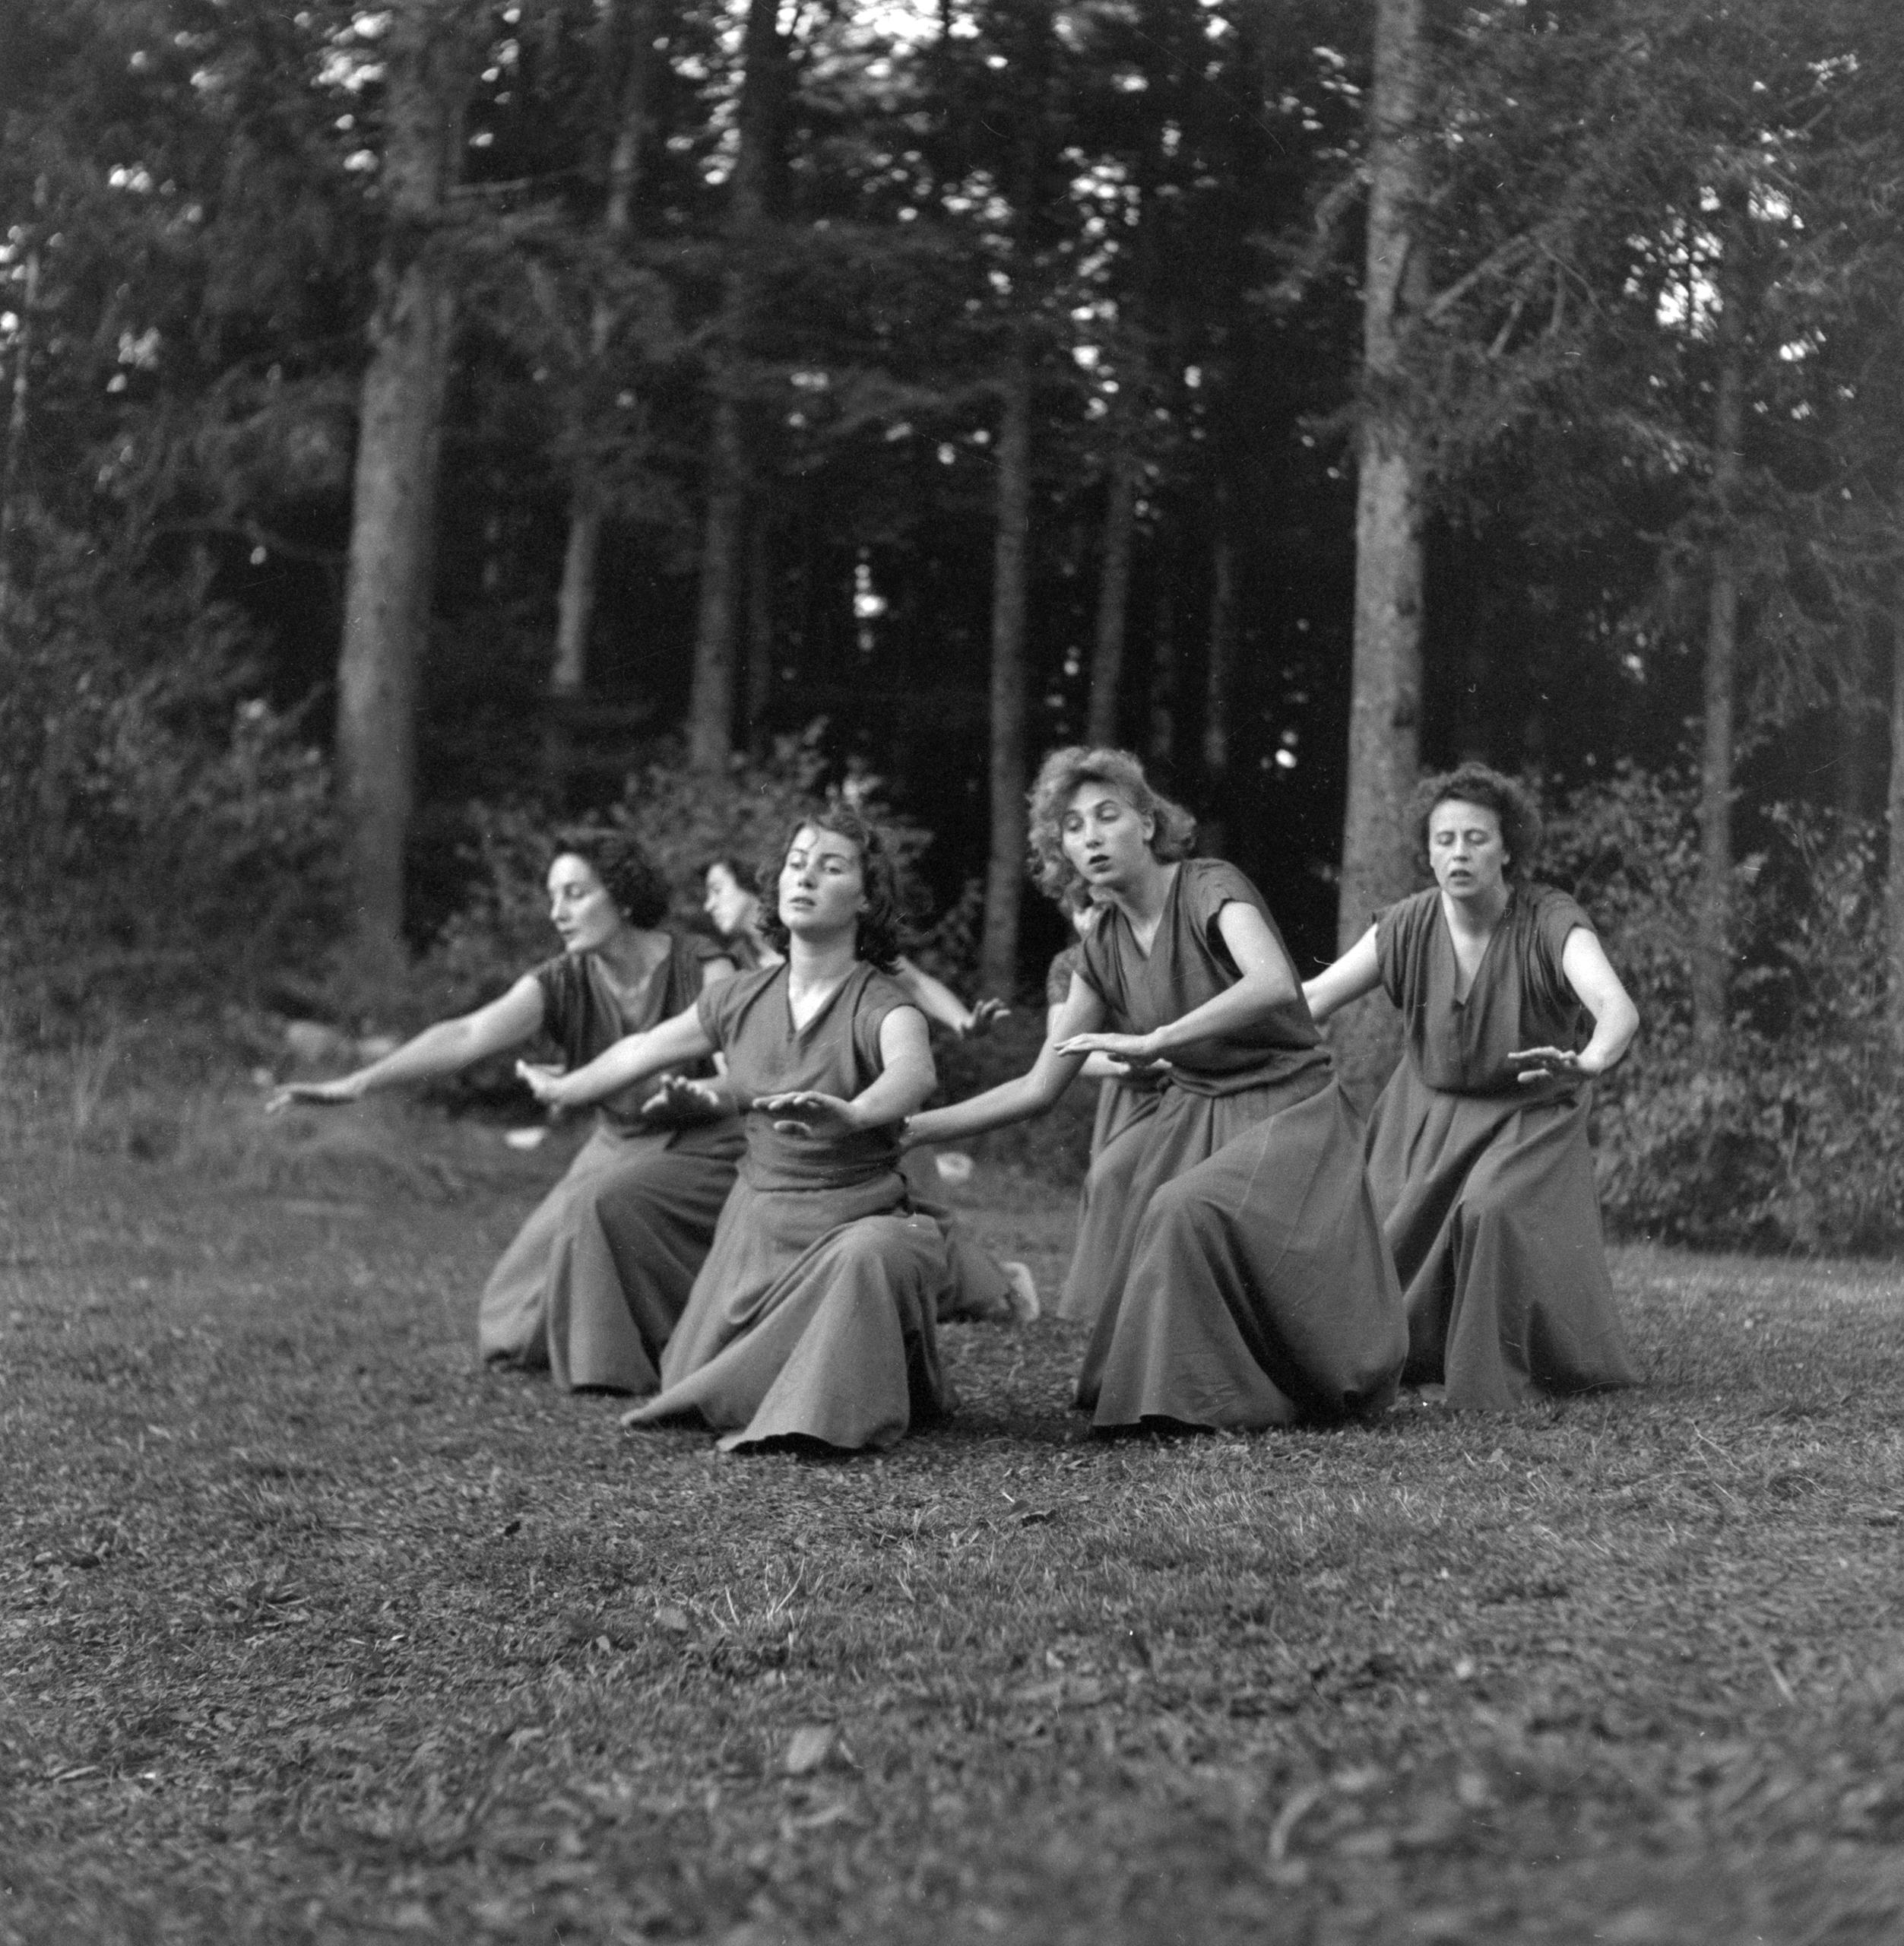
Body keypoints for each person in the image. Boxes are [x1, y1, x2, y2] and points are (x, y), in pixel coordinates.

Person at [905, 747, 1406, 1433]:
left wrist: (1157, 1040)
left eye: (1106, 816)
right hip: (1196, 1113)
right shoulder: (1100, 947)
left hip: (1288, 1102)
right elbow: (1038, 1085)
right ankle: (1190, 1394)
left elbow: (1271, 983)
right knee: (1167, 1216)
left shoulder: (1207, 885)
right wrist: (915, 1128)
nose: (1090, 837)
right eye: (1073, 828)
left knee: (1182, 1208)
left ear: (1146, 823)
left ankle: (1227, 1397)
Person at [522, 809, 950, 1453]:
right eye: (796, 863)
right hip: (756, 1229)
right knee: (699, 1385)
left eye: (830, 867)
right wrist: (563, 1088)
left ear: (864, 898)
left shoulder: (882, 1002)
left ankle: (825, 1396)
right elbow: (637, 1052)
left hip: (850, 1219)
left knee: (871, 1254)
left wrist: (858, 1113)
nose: (804, 876)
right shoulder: (738, 997)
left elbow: (912, 1074)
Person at [270, 829, 743, 1393]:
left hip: (700, 1144)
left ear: (621, 895)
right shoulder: (565, 978)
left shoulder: (705, 967)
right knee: (511, 1326)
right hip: (614, 1143)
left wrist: (700, 1093)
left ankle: (648, 1353)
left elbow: (742, 1069)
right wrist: (360, 1081)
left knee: (606, 1211)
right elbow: (469, 1032)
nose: (557, 913)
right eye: (552, 897)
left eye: (574, 894)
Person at [1302, 762, 1641, 1410]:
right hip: (1423, 1111)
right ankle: (1417, 1358)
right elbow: (1315, 995)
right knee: (1383, 1251)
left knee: (1488, 1211)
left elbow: (1615, 1009)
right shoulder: (1406, 925)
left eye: (1476, 838)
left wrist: (1590, 1060)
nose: (1458, 853)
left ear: (1507, 846)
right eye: (1444, 839)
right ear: (1427, 851)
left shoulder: (1548, 918)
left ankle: (1502, 1374)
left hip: (1530, 1110)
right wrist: (1217, 1033)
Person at [705, 854, 1038, 1326]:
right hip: (800, 1129)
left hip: (870, 1099)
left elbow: (917, 984)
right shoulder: (743, 973)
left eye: (719, 888)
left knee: (913, 1222)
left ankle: (1000, 1286)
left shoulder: (841, 944)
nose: (709, 903)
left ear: (748, 887)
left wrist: (962, 1022)